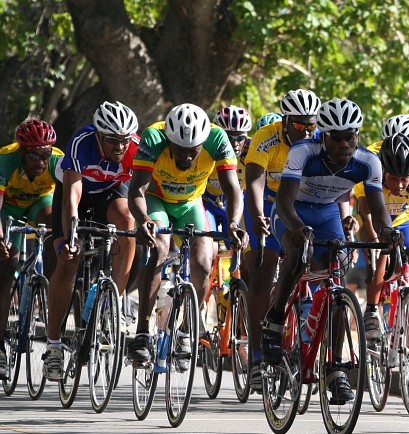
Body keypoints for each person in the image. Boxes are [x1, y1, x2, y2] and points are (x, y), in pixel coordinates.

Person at [262, 97, 396, 403]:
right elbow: (282, 202)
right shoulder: (303, 152)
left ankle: (335, 366)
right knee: (297, 256)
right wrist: (297, 228)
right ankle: (275, 320)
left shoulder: (368, 162)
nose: (344, 144)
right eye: (336, 138)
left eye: (350, 136)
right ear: (323, 136)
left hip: (326, 214)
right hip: (292, 212)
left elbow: (378, 208)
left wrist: (388, 232)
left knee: (336, 275)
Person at [127, 103, 247, 366]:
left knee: (204, 263)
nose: (187, 157)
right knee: (159, 248)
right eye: (180, 151)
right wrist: (143, 219)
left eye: (193, 151)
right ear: (169, 140)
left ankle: (185, 331)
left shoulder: (217, 138)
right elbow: (136, 189)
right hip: (157, 200)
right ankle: (143, 332)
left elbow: (233, 190)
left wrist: (235, 223)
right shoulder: (153, 138)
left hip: (191, 203)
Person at [44, 101, 139, 381]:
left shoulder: (136, 147)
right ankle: (54, 346)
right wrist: (70, 237)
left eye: (124, 141)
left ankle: (116, 302)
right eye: (112, 141)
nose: (119, 147)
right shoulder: (81, 142)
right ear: (99, 135)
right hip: (76, 194)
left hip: (110, 193)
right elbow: (71, 197)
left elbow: (143, 190)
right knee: (68, 261)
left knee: (127, 221)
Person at [244, 89, 321, 391]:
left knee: (315, 261)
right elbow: (253, 181)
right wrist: (258, 215)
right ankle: (257, 355)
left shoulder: (318, 140)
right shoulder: (266, 137)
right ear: (286, 120)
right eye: (299, 125)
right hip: (266, 202)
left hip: (299, 204)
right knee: (263, 270)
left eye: (311, 125)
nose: (306, 130)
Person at [0, 119, 63, 380]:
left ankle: (50, 281)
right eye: (33, 155)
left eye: (45, 155)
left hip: (40, 202)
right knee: (6, 266)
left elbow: (69, 196)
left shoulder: (58, 161)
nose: (40, 161)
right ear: (22, 152)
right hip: (10, 207)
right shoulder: (6, 159)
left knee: (52, 223)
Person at [355, 133, 409, 342]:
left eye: (404, 180)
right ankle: (371, 311)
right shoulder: (371, 168)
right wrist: (372, 242)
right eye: (393, 178)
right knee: (381, 248)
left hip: (402, 221)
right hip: (375, 218)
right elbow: (365, 212)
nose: (399, 185)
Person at [206, 105, 253, 237]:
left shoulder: (252, 151)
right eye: (228, 137)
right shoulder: (208, 148)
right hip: (207, 202)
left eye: (240, 138)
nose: (235, 143)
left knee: (237, 243)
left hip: (235, 205)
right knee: (208, 246)